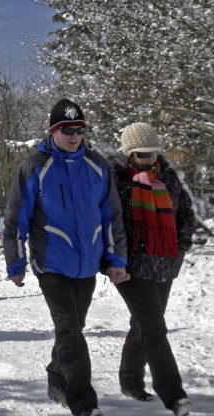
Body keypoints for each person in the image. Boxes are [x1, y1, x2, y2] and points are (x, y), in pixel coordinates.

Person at [4, 99, 129, 416]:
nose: (74, 136)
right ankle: (84, 402)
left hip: (87, 265)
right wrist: (16, 263)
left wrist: (116, 260)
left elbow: (111, 216)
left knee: (74, 328)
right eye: (66, 130)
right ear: (53, 131)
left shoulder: (96, 165)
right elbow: (16, 218)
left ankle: (56, 376)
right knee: (70, 331)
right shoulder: (35, 167)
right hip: (52, 265)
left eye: (79, 130)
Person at [110, 122, 194, 416]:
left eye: (153, 153)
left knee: (143, 324)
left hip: (164, 265)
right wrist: (115, 262)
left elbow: (185, 213)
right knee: (155, 329)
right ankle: (174, 395)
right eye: (142, 154)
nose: (150, 159)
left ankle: (130, 380)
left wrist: (180, 247)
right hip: (131, 270)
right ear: (129, 154)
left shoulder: (168, 179)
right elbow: (110, 224)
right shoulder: (117, 183)